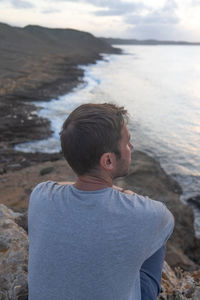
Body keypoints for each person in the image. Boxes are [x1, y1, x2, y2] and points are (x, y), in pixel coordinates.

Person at [28, 103, 174, 300]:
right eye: (127, 142)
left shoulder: (40, 195)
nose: (131, 147)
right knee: (156, 242)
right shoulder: (151, 214)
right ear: (108, 161)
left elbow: (62, 184)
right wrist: (123, 192)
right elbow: (168, 223)